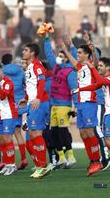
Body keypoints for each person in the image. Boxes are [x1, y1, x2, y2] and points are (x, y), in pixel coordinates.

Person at [77, 57, 110, 180]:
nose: (98, 67)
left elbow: (98, 80)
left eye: (100, 66)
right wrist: (79, 89)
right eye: (98, 66)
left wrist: (92, 67)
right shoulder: (106, 78)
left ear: (108, 68)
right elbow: (95, 86)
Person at [60, 42, 103, 177]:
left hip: (90, 102)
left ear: (86, 55)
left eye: (79, 53)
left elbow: (96, 61)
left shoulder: (91, 65)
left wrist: (93, 51)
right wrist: (66, 50)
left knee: (90, 131)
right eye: (77, 53)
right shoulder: (79, 67)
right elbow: (72, 60)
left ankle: (97, 161)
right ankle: (92, 160)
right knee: (83, 133)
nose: (77, 55)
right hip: (81, 103)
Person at [44, 34, 78, 168]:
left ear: (67, 59)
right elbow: (49, 54)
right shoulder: (56, 68)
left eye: (63, 56)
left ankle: (71, 157)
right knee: (54, 133)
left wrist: (74, 107)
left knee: (63, 132)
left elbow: (74, 89)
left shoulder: (70, 71)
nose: (59, 58)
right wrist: (46, 39)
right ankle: (62, 158)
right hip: (54, 105)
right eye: (59, 56)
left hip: (64, 105)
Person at [19, 43, 51, 179]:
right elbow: (32, 86)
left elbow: (42, 81)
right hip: (33, 103)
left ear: (32, 53)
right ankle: (40, 165)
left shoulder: (37, 66)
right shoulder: (30, 67)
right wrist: (26, 98)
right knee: (32, 134)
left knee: (35, 133)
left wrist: (37, 98)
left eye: (25, 50)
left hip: (39, 103)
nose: (23, 52)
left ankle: (43, 166)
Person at [0, 63, 18, 176]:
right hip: (0, 115)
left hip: (9, 114)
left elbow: (2, 96)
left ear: (2, 71)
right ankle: (6, 163)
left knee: (7, 139)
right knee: (0, 139)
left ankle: (12, 165)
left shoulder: (8, 83)